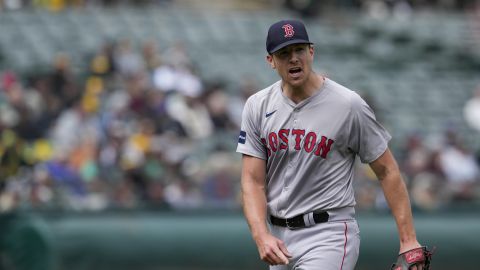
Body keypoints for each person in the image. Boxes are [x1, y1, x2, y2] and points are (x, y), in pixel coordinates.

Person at [236, 19, 424, 270]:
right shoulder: (257, 106)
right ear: (271, 61)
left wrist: (408, 240)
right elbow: (252, 180)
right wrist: (261, 235)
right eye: (284, 53)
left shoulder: (348, 105)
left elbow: (387, 170)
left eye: (299, 50)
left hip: (329, 234)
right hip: (279, 237)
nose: (294, 59)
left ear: (311, 52)